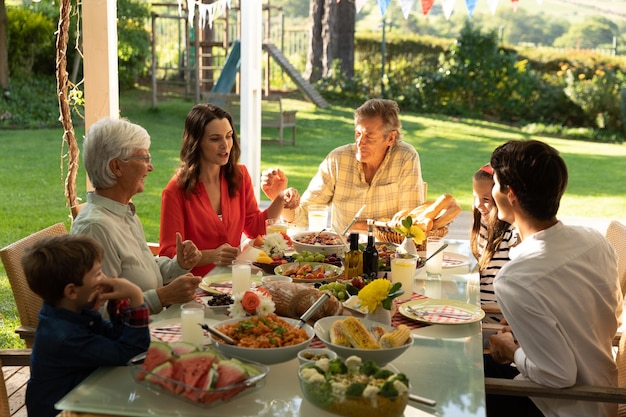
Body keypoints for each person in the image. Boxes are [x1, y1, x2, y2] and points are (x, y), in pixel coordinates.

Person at [486, 140, 622, 417]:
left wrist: (512, 351)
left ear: (509, 193)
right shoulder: (593, 239)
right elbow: (606, 315)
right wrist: (530, 335)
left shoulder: (514, 279)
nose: (492, 191)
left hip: (559, 407)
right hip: (601, 393)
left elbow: (558, 376)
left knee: (460, 376)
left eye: (496, 184)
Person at [71, 117, 203, 314]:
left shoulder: (124, 213)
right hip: (127, 340)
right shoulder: (95, 228)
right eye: (144, 159)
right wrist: (162, 297)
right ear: (116, 167)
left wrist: (178, 265)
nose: (150, 167)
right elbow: (99, 313)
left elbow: (142, 272)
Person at [159, 103, 299, 276]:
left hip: (233, 280)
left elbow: (255, 228)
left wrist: (280, 198)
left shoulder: (239, 176)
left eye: (229, 136)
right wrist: (210, 256)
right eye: (215, 139)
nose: (225, 145)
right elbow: (167, 255)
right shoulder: (175, 191)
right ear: (196, 143)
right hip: (194, 286)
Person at [23, 234, 151, 417]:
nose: (105, 278)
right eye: (98, 273)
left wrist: (117, 301)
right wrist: (136, 297)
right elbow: (132, 355)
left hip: (89, 400)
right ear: (72, 291)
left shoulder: (74, 313)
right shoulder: (65, 337)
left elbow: (117, 341)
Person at [262, 98, 424, 233]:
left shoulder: (405, 157)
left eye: (369, 136)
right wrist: (281, 200)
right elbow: (304, 215)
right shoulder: (337, 160)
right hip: (341, 256)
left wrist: (361, 226)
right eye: (358, 133)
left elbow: (409, 224)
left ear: (390, 138)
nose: (360, 142)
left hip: (388, 254)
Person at [469, 163, 517, 323]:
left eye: (486, 199)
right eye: (475, 197)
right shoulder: (483, 220)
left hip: (492, 318)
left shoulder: (512, 234)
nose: (478, 205)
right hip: (476, 308)